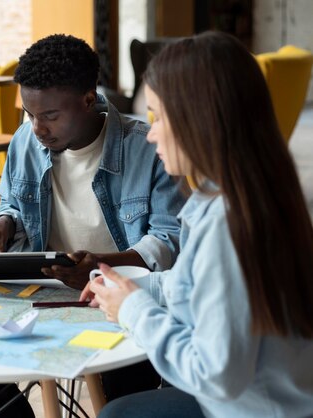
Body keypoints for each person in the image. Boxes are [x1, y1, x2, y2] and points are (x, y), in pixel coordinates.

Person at [82, 31, 313, 418]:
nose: (151, 132)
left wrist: (134, 309)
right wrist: (135, 285)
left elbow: (216, 375)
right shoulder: (251, 191)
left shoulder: (229, 224)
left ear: (199, 119)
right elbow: (202, 284)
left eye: (158, 116)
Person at [0, 34, 187, 414]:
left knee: (125, 388)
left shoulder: (147, 148)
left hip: (121, 295)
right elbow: (15, 202)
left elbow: (168, 241)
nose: (37, 129)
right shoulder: (25, 141)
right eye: (29, 114)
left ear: (87, 100)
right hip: (43, 294)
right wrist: (4, 223)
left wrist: (100, 268)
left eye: (49, 116)